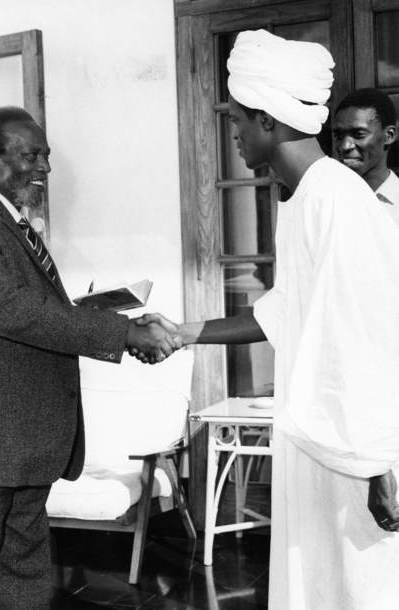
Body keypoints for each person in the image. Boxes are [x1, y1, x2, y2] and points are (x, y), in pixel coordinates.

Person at [135, 30, 399, 609]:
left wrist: (380, 462)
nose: (234, 131)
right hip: (318, 443)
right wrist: (183, 333)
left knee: (363, 590)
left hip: (357, 450)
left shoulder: (340, 200)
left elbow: (370, 337)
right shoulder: (304, 197)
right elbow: (283, 310)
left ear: (270, 121)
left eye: (239, 119)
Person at [0, 106, 177, 610]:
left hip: (25, 444)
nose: (46, 168)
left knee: (20, 583)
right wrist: (120, 330)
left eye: (46, 156)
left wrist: (94, 314)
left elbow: (27, 313)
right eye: (33, 155)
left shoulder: (16, 226)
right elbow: (11, 311)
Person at [333, 87, 399, 222]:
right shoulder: (326, 202)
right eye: (339, 136)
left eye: (358, 134)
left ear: (389, 135)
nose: (345, 146)